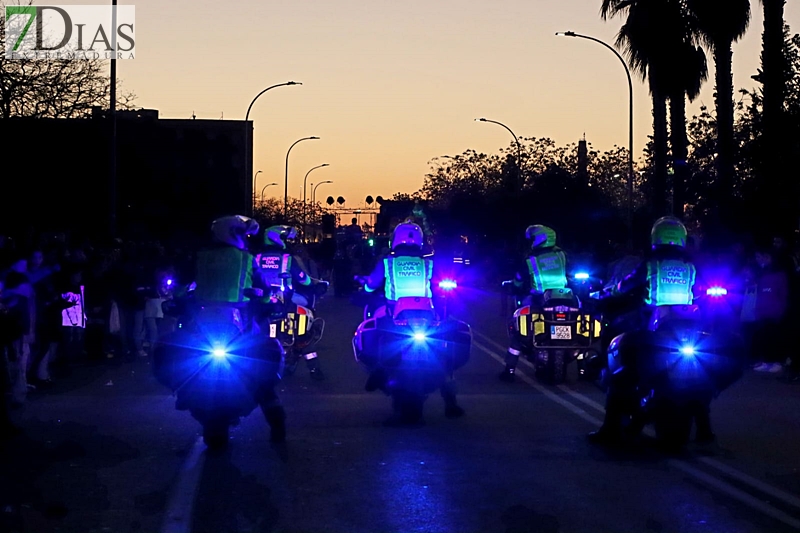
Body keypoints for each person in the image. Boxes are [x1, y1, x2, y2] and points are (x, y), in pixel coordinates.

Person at [588, 216, 704, 445]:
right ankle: (705, 432)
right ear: (681, 239)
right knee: (702, 374)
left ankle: (610, 429)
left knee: (619, 364)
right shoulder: (690, 267)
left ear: (655, 237)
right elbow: (701, 291)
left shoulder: (651, 263)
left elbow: (626, 285)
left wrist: (604, 294)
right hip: (686, 332)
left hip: (654, 328)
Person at [192, 215, 287, 443]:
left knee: (187, 362)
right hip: (238, 325)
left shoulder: (200, 257)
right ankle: (277, 424)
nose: (245, 240)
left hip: (204, 326)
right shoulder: (245, 259)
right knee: (262, 373)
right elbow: (263, 287)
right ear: (234, 234)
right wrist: (268, 302)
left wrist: (178, 299)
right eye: (242, 235)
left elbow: (184, 284)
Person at [358, 221, 464, 419]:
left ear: (395, 241)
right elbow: (442, 285)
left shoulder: (387, 263)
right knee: (443, 353)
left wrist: (364, 289)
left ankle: (378, 370)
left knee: (374, 329)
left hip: (395, 315)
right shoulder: (428, 263)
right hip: (427, 316)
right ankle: (451, 403)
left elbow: (371, 286)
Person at [253, 225, 326, 380]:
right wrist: (314, 284)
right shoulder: (287, 259)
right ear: (277, 238)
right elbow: (303, 279)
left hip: (262, 302)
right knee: (304, 325)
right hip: (285, 300)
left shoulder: (256, 258)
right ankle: (313, 367)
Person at [500, 225, 568, 382]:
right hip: (564, 296)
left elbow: (519, 280)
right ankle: (583, 367)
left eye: (532, 239)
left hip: (539, 298)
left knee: (518, 324)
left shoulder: (531, 260)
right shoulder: (562, 255)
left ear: (540, 239)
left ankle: (510, 369)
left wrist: (514, 287)